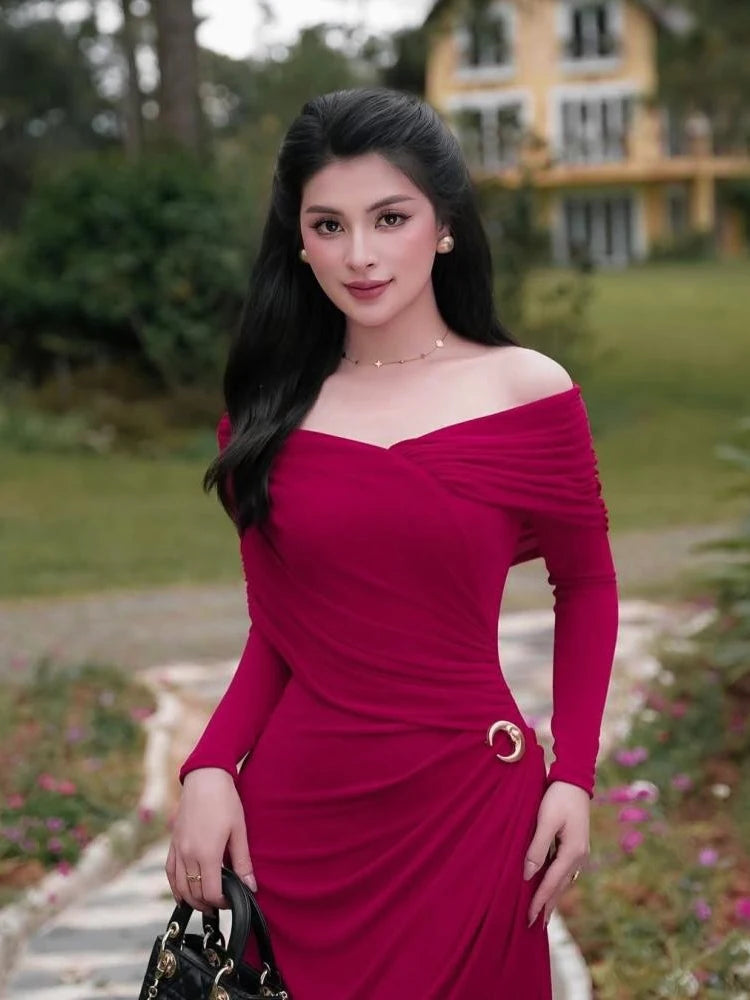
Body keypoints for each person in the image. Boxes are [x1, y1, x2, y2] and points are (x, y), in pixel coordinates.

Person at [165, 87, 619, 999]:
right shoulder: (265, 418)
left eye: (389, 218)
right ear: (299, 241)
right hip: (300, 825)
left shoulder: (526, 390)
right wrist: (210, 766)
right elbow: (280, 633)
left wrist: (572, 775)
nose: (360, 255)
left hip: (473, 811)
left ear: (443, 226)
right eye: (328, 225)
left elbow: (587, 585)